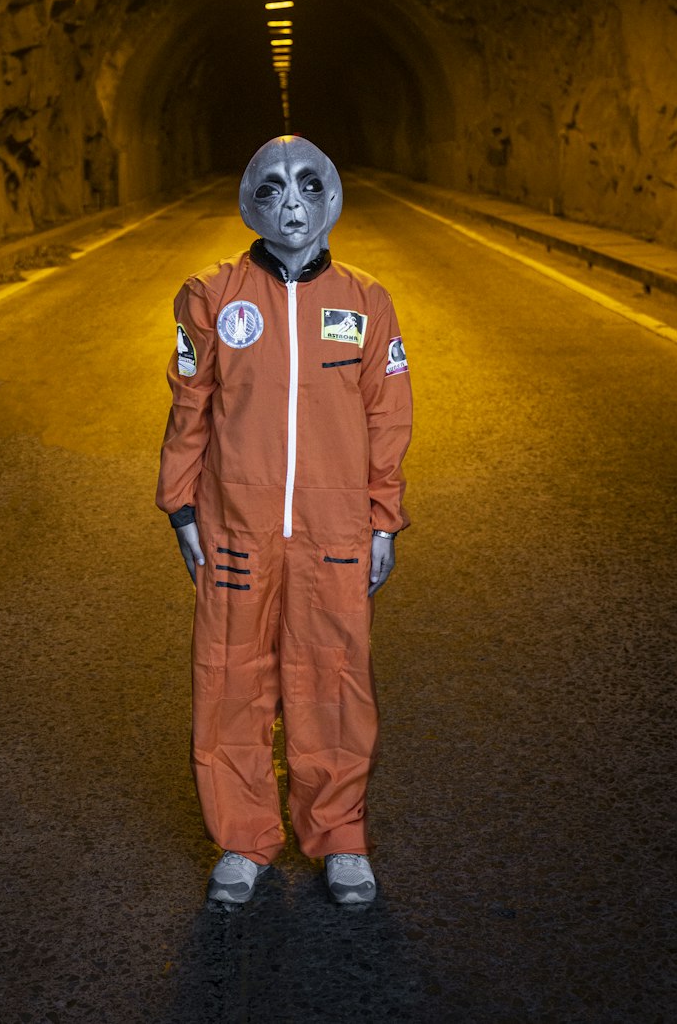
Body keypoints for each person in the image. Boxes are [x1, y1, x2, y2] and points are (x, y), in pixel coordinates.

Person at [155, 135, 412, 906]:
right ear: (250, 201)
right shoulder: (211, 294)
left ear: (331, 197)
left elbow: (388, 417)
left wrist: (382, 520)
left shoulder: (367, 302)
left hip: (334, 533)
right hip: (237, 523)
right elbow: (189, 407)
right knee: (231, 679)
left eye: (308, 187)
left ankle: (338, 836)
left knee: (333, 681)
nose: (291, 204)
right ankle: (242, 836)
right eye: (273, 189)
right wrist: (180, 505)